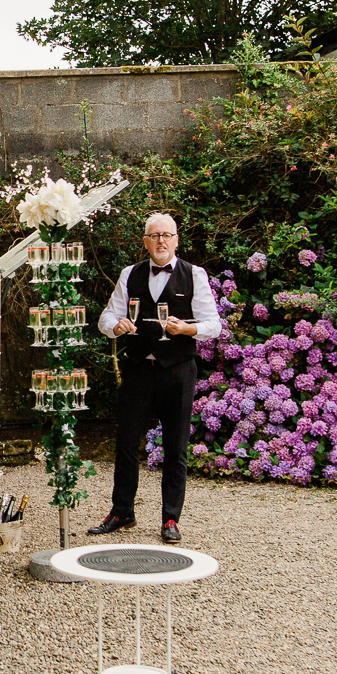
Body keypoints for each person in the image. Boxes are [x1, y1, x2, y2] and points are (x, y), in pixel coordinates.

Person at [90, 213, 221, 543]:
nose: (161, 241)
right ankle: (122, 512)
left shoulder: (195, 274)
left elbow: (213, 325)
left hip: (178, 370)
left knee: (176, 447)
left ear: (176, 240)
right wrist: (115, 326)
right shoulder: (129, 274)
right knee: (126, 443)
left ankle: (171, 519)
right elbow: (108, 316)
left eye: (167, 235)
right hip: (137, 368)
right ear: (145, 241)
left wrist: (189, 329)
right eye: (155, 235)